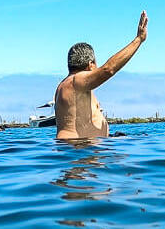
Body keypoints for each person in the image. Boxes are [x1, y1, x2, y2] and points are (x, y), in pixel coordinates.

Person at [54, 11, 148, 141]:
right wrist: (139, 40)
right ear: (91, 64)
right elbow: (108, 69)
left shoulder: (69, 85)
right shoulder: (76, 81)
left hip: (81, 149)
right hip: (78, 151)